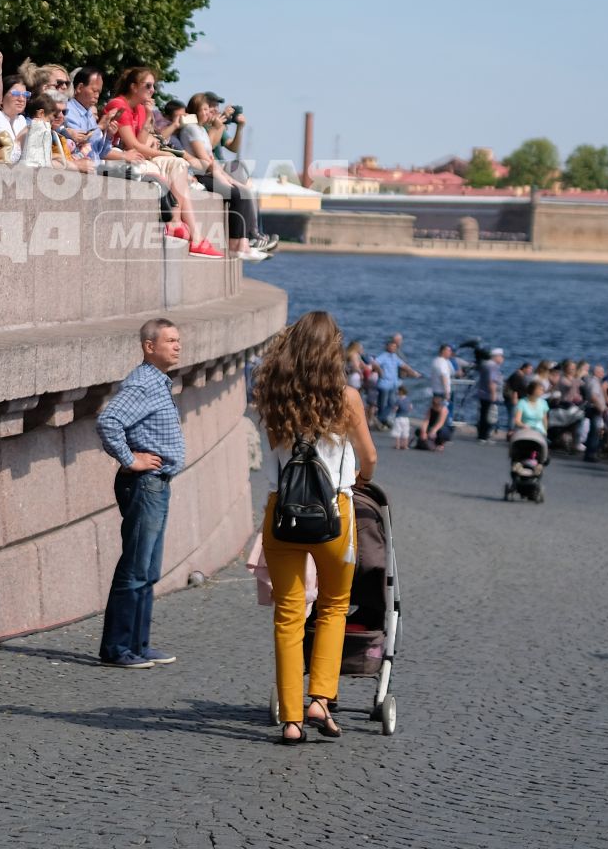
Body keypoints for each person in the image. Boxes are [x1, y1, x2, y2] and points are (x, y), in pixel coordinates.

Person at [251, 310, 378, 744]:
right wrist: (358, 479)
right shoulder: (346, 399)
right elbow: (370, 458)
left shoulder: (271, 395)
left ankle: (290, 720)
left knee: (288, 615)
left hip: (280, 513)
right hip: (335, 516)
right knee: (334, 606)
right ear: (333, 352)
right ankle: (320, 700)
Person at [95, 318, 186, 669]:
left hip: (157, 484)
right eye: (171, 341)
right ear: (150, 346)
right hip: (145, 485)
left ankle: (138, 644)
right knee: (135, 568)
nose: (178, 346)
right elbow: (109, 421)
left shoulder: (158, 383)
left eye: (179, 340)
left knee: (148, 569)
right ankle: (117, 649)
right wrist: (130, 459)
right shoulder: (144, 383)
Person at [103, 68, 220, 257]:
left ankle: (182, 227)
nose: (152, 90)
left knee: (179, 165)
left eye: (153, 86)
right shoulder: (119, 104)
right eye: (147, 86)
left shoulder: (141, 108)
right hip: (118, 156)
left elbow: (139, 143)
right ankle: (186, 232)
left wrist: (149, 117)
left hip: (137, 155)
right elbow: (131, 145)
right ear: (133, 87)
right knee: (175, 161)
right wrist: (166, 153)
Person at [177, 95, 263, 259]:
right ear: (195, 111)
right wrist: (223, 177)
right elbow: (205, 158)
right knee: (237, 194)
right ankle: (233, 245)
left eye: (208, 109)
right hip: (200, 175)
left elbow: (212, 156)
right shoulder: (191, 129)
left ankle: (243, 244)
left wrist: (227, 178)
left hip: (210, 171)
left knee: (243, 191)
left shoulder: (201, 129)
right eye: (204, 109)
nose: (208, 113)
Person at [371, 334, 419, 428]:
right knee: (382, 403)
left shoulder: (394, 357)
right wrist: (380, 371)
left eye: (395, 346)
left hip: (393, 384)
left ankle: (381, 418)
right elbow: (374, 363)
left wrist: (413, 372)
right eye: (392, 346)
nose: (394, 348)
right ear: (387, 346)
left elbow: (403, 365)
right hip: (384, 384)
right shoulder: (384, 356)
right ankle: (381, 419)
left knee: (392, 403)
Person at [423, 344, 456, 448]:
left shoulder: (436, 361)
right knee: (444, 416)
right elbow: (444, 376)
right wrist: (447, 392)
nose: (450, 353)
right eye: (448, 351)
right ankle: (440, 440)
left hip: (436, 391)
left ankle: (434, 437)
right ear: (443, 351)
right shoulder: (442, 363)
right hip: (442, 392)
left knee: (435, 416)